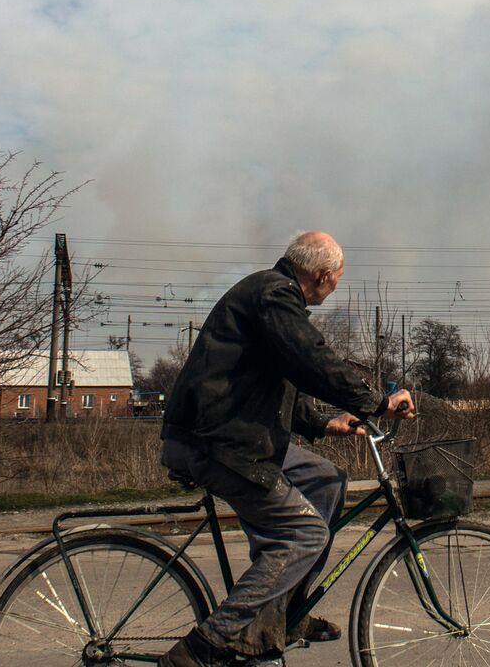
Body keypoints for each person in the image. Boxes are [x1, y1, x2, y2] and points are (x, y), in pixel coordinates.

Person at [158, 231, 415, 667]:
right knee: (305, 533)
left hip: (234, 433)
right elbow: (309, 358)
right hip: (218, 442)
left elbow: (264, 385)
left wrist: (324, 423)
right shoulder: (275, 295)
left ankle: (282, 616)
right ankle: (205, 647)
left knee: (327, 480)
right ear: (322, 275)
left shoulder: (271, 297)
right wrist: (376, 402)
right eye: (337, 278)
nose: (335, 286)